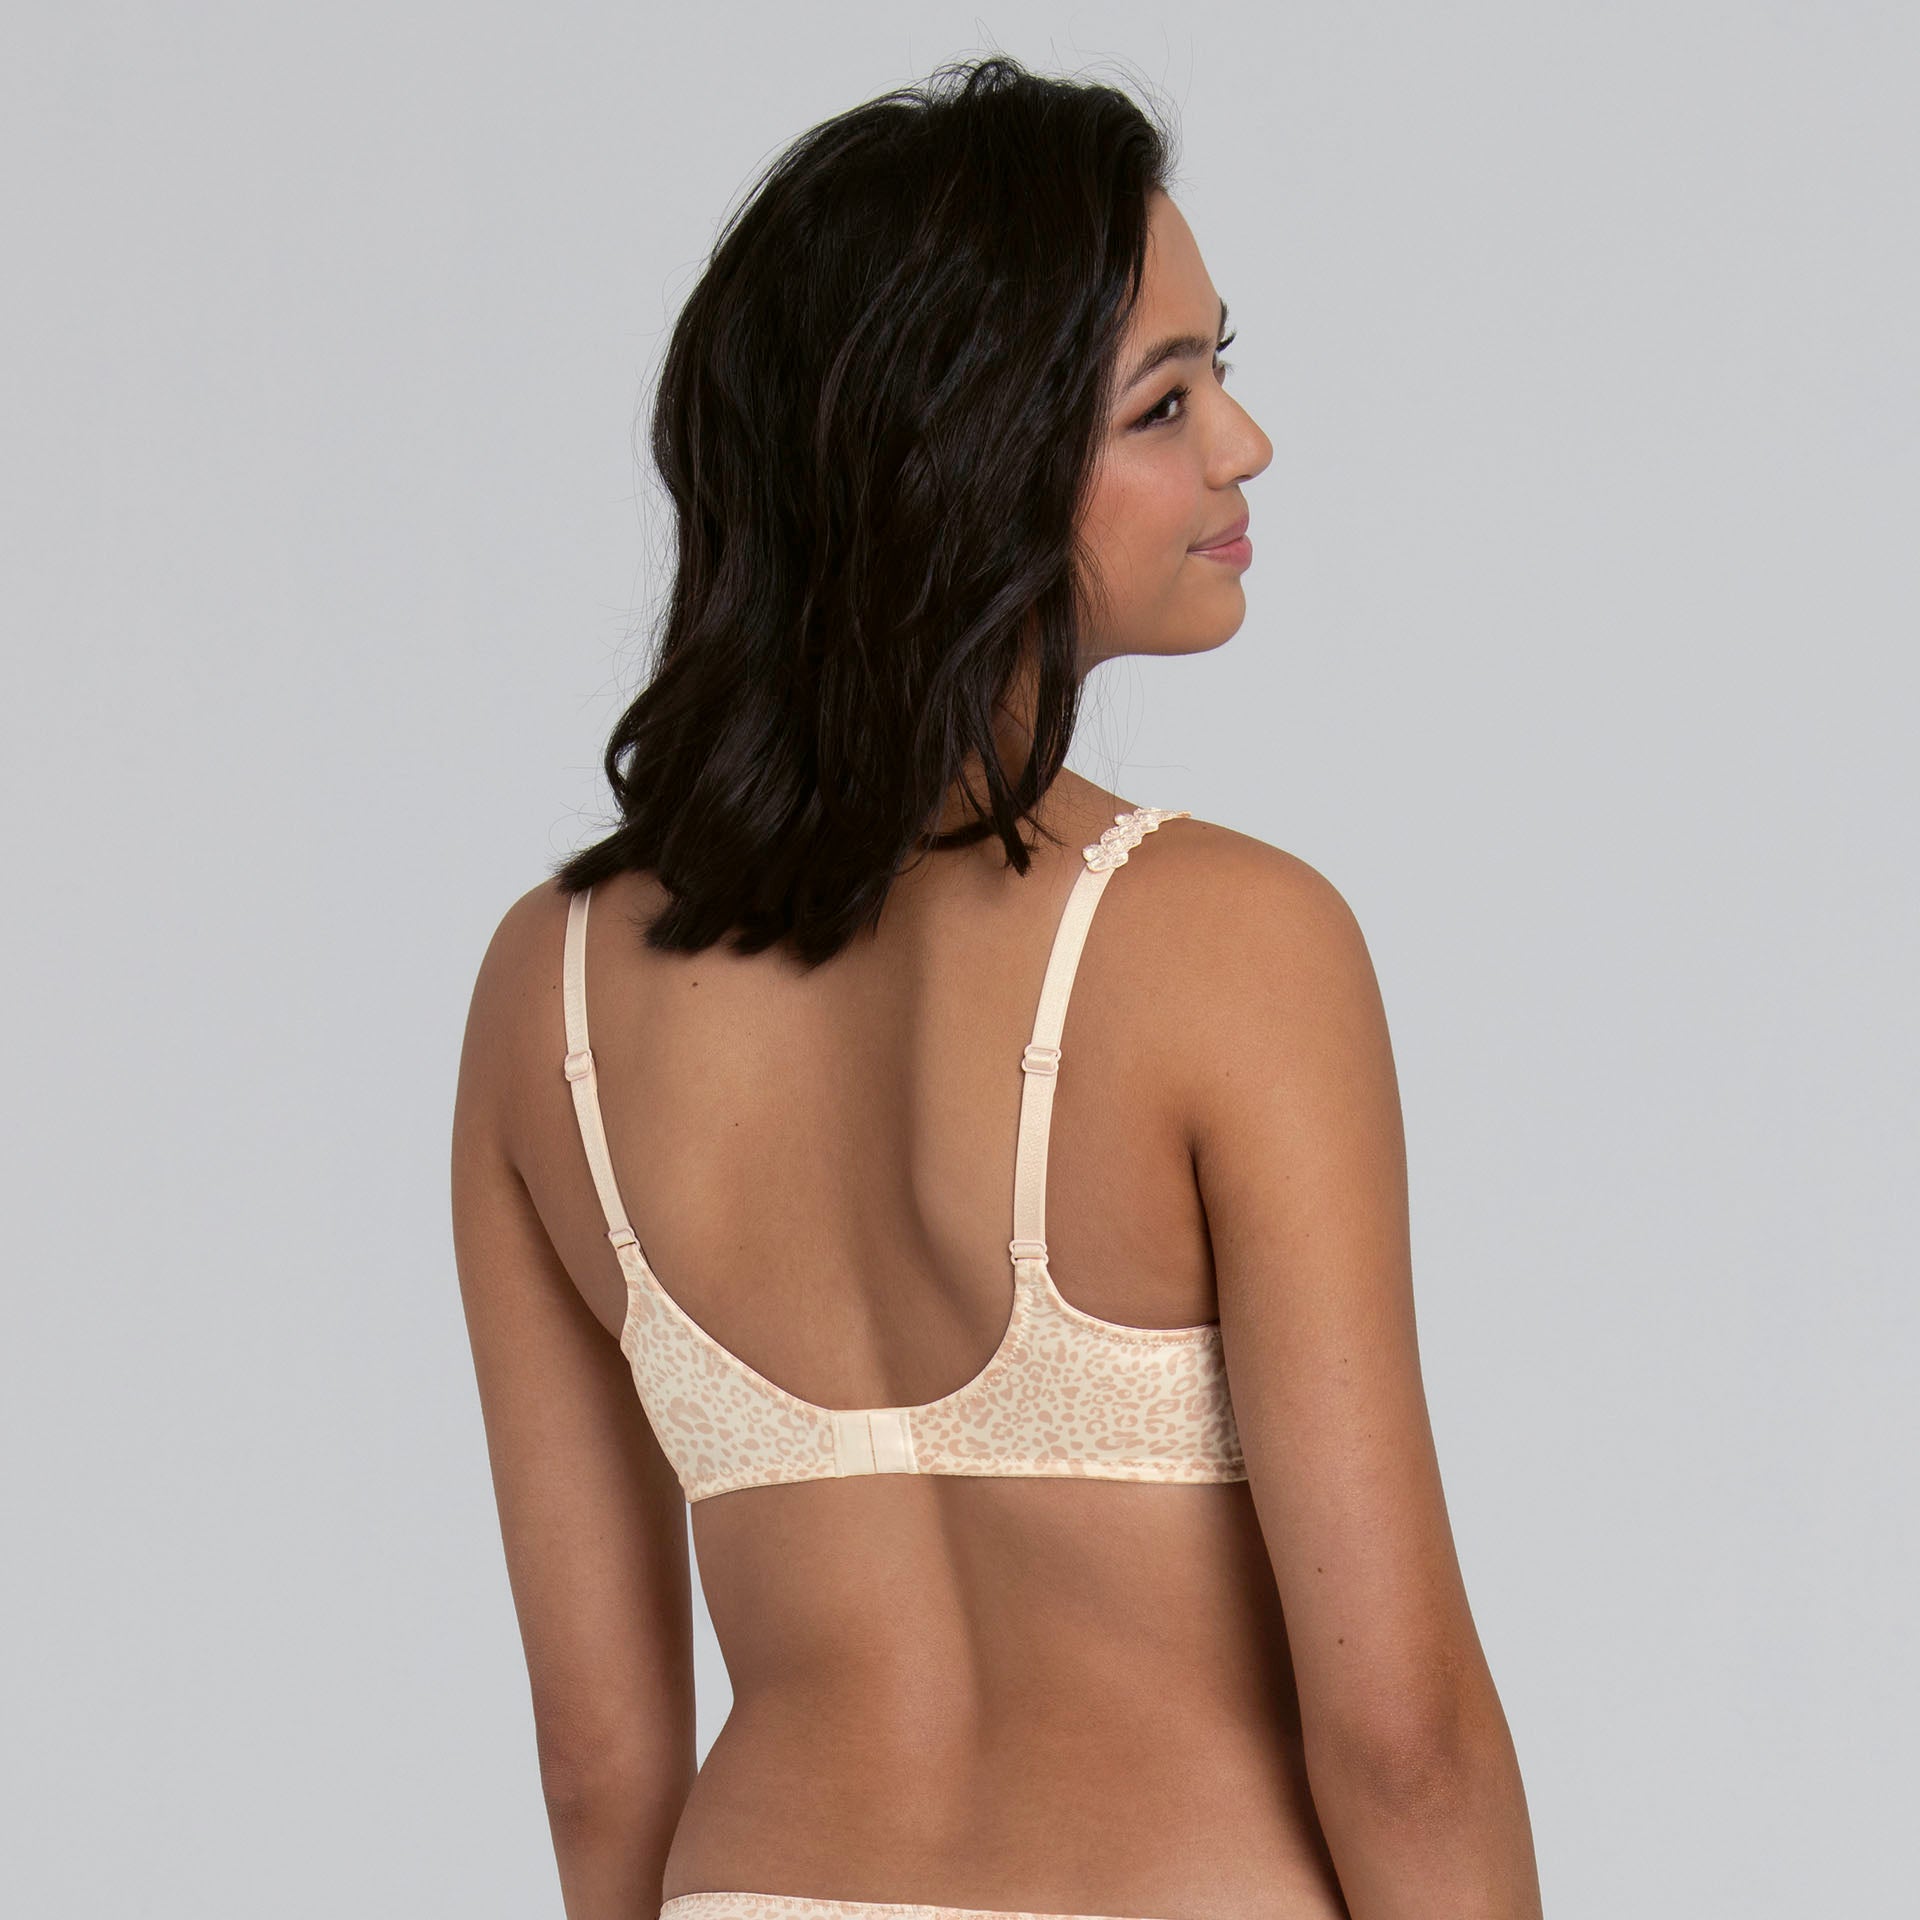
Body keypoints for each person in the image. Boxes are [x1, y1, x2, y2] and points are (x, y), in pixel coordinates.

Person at [451, 53, 1542, 1920]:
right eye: (1164, 401)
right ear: (966, 466)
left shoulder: (544, 993)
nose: (1244, 445)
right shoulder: (1233, 946)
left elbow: (597, 1762)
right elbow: (1402, 1739)